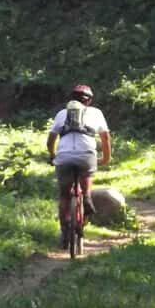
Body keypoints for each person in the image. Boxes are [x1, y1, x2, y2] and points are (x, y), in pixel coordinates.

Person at [46, 84, 111, 240]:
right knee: (87, 174)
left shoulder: (61, 114)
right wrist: (105, 158)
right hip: (86, 155)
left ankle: (64, 232)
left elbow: (50, 140)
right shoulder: (96, 113)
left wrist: (53, 154)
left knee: (64, 196)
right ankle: (87, 196)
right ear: (89, 101)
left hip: (64, 156)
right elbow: (106, 138)